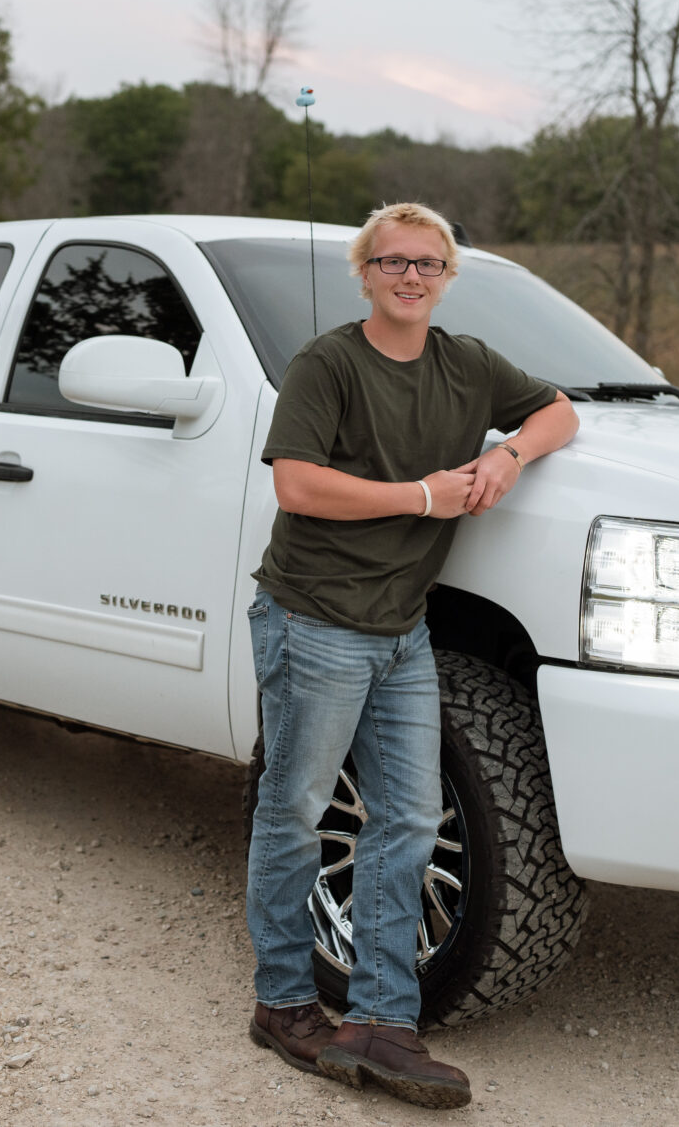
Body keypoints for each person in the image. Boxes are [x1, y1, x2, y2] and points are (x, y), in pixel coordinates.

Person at [243, 201, 579, 1109]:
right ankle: (282, 1002)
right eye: (392, 262)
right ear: (366, 273)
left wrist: (508, 455)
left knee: (409, 819)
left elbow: (558, 411)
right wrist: (424, 496)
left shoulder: (465, 364)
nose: (410, 276)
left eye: (427, 264)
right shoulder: (329, 363)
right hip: (313, 618)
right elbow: (298, 482)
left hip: (401, 629)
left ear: (445, 276)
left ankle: (384, 1020)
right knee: (298, 807)